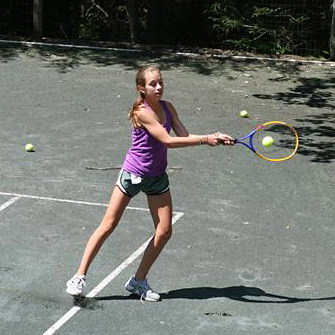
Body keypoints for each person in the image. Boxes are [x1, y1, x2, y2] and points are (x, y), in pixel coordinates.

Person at [66, 66, 235, 302]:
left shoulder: (169, 108)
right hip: (133, 174)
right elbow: (168, 141)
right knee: (108, 225)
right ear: (141, 88)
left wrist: (213, 137)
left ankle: (138, 281)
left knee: (164, 231)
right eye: (153, 84)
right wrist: (205, 139)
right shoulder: (142, 112)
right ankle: (79, 276)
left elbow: (183, 136)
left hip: (156, 177)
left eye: (161, 82)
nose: (159, 87)